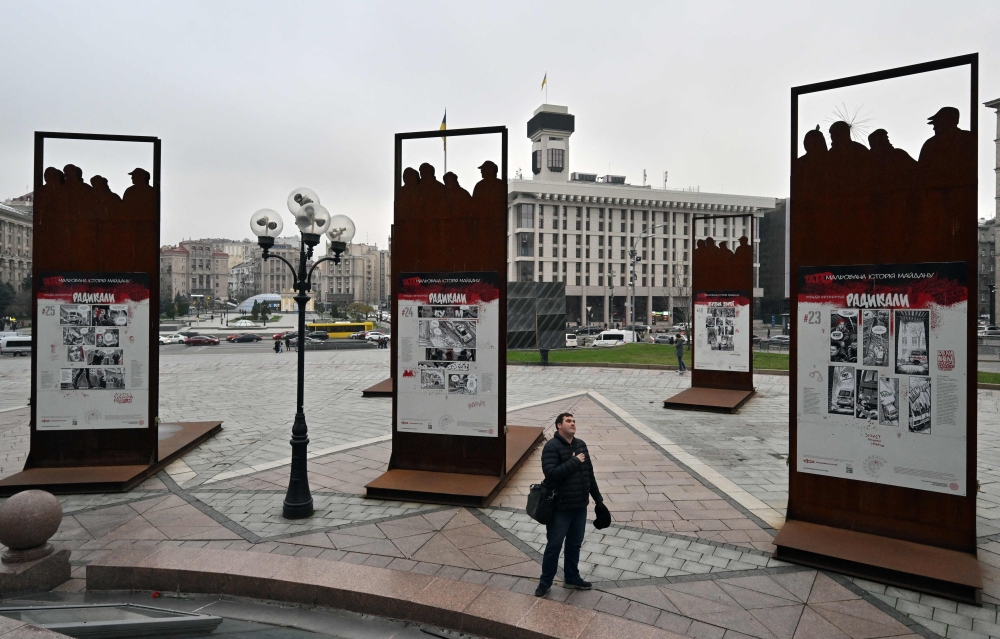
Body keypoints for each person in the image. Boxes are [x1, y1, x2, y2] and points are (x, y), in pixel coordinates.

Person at [536, 412, 603, 597]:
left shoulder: (581, 445)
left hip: (580, 506)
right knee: (554, 545)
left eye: (574, 421)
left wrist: (599, 500)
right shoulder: (551, 447)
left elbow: (589, 474)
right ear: (559, 426)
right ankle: (545, 582)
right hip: (560, 507)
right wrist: (574, 461)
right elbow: (551, 474)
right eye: (568, 421)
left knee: (574, 544)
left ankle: (572, 578)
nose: (572, 423)